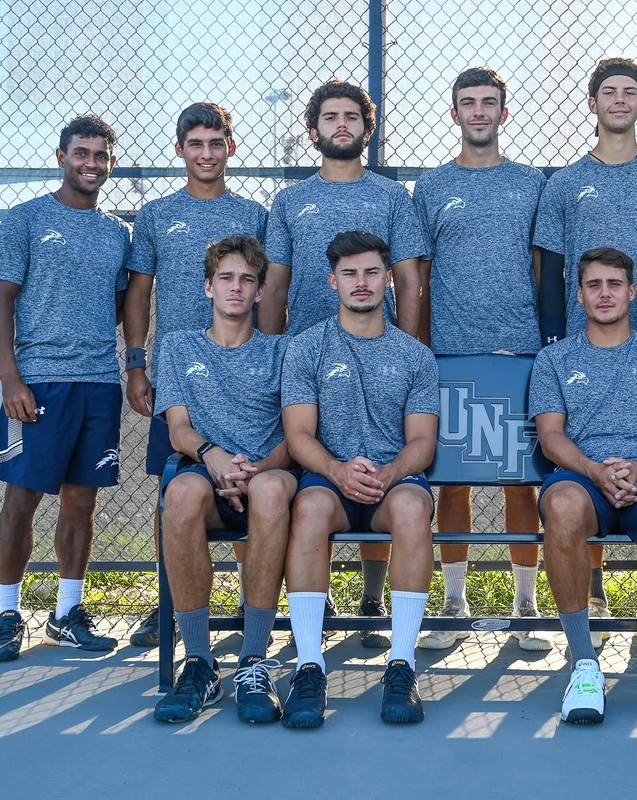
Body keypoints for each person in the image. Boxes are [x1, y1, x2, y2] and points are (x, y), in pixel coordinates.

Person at [534, 56, 637, 645]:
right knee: (589, 455)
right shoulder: (564, 183)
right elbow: (550, 264)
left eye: (630, 92)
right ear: (593, 103)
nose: (620, 100)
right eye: (609, 91)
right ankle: (594, 596)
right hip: (585, 344)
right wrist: (555, 335)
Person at [262, 80, 429, 642]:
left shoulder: (392, 198)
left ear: (366, 126)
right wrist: (273, 354)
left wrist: (405, 346)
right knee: (317, 479)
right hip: (311, 357)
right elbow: (275, 286)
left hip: (379, 347)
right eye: (329, 116)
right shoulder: (289, 201)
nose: (341, 124)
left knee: (378, 458)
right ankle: (315, 610)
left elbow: (409, 280)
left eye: (351, 116)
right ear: (313, 131)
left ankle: (374, 596)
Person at [530, 247, 637, 727]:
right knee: (561, 504)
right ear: (580, 295)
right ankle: (584, 665)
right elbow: (550, 437)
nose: (604, 293)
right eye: (593, 285)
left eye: (614, 284)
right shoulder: (555, 359)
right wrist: (595, 471)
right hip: (582, 478)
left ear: (632, 291)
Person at [412, 66, 551, 652]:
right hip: (450, 353)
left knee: (522, 482)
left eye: (488, 103)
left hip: (517, 352)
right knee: (453, 482)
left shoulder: (530, 184)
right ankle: (453, 600)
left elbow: (542, 269)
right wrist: (420, 351)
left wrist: (536, 341)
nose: (478, 112)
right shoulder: (431, 186)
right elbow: (416, 275)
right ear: (454, 114)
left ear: (503, 112)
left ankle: (526, 603)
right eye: (467, 103)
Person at [0, 115, 130, 662]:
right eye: (81, 153)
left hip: (98, 383)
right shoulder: (24, 219)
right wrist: (10, 377)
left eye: (100, 155)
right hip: (38, 382)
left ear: (110, 163)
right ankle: (6, 615)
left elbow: (117, 308)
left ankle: (67, 614)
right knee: (20, 501)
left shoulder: (118, 233)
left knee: (81, 503)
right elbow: (0, 302)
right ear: (62, 156)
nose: (90, 163)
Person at [123, 102, 269, 648]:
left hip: (243, 377)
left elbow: (267, 292)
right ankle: (170, 605)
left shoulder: (254, 213)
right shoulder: (158, 214)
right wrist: (138, 362)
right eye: (196, 144)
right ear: (180, 149)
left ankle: (253, 599)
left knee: (248, 485)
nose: (206, 153)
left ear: (230, 147)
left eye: (216, 143)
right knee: (177, 493)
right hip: (182, 378)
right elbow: (140, 290)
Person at [280, 231, 439, 727]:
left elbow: (423, 443)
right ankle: (309, 665)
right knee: (307, 509)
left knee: (414, 509)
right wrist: (336, 469)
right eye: (350, 273)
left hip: (394, 483)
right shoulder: (307, 348)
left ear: (389, 279)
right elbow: (299, 433)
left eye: (372, 272)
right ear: (333, 281)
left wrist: (390, 472)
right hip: (331, 479)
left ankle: (402, 665)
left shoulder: (415, 355)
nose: (361, 283)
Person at [151, 235, 298, 725]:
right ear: (208, 287)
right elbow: (178, 428)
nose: (237, 288)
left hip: (267, 476)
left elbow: (296, 432)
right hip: (208, 474)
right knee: (180, 492)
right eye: (227, 279)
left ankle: (254, 662)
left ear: (260, 293)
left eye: (247, 281)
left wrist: (258, 468)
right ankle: (198, 663)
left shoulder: (284, 351)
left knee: (273, 489)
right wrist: (213, 458)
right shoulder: (177, 346)